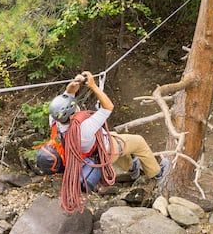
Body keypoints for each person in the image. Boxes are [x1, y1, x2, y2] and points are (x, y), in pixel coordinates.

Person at [34, 71, 168, 192]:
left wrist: (74, 84)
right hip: (105, 150)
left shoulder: (55, 121)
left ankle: (133, 169)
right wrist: (93, 86)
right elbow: (108, 107)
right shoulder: (83, 129)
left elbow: (67, 95)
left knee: (118, 144)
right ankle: (157, 173)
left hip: (97, 150)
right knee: (138, 142)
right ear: (70, 115)